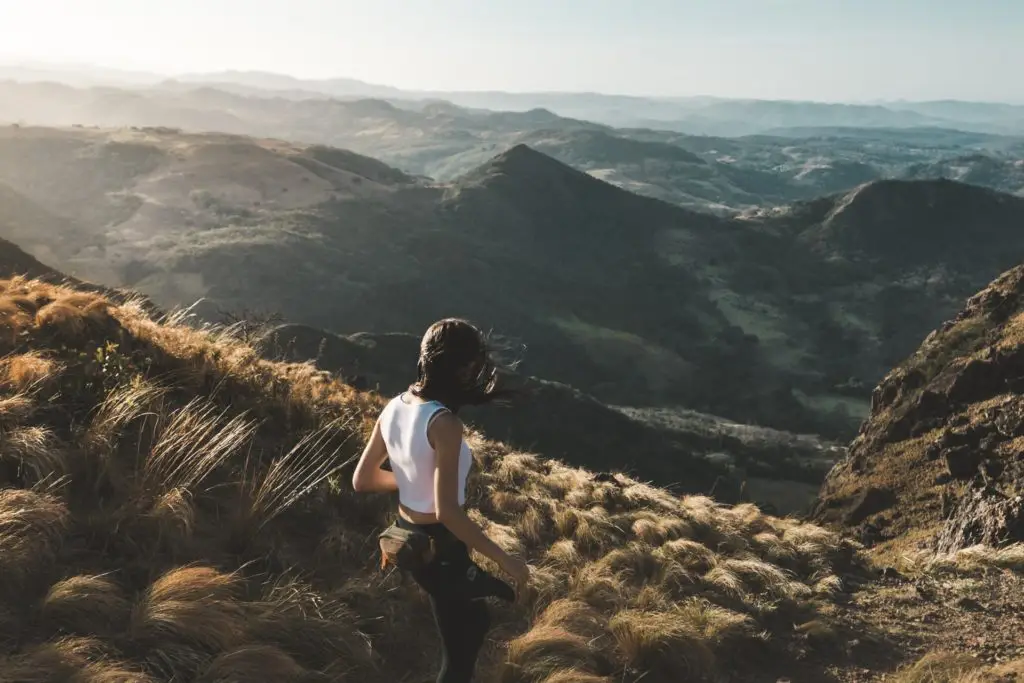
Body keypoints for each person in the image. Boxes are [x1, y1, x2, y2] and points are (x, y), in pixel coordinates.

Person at [352, 318, 530, 683]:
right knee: (460, 655)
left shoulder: (394, 406)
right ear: (462, 368)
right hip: (440, 544)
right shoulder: (444, 423)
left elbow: (363, 479)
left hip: (409, 537)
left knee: (470, 621)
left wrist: (411, 479)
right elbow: (447, 512)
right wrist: (508, 561)